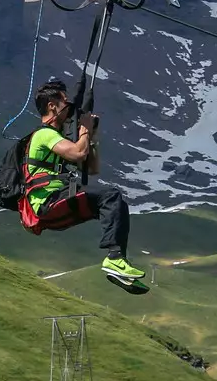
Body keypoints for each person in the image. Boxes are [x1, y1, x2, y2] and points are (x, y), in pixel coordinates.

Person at [23, 79, 144, 287]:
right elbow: (79, 152)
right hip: (47, 203)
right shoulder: (44, 135)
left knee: (116, 204)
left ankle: (118, 264)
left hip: (56, 204)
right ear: (52, 105)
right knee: (111, 195)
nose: (69, 107)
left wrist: (92, 136)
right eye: (64, 102)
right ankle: (114, 260)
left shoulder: (58, 140)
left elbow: (91, 169)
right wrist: (84, 130)